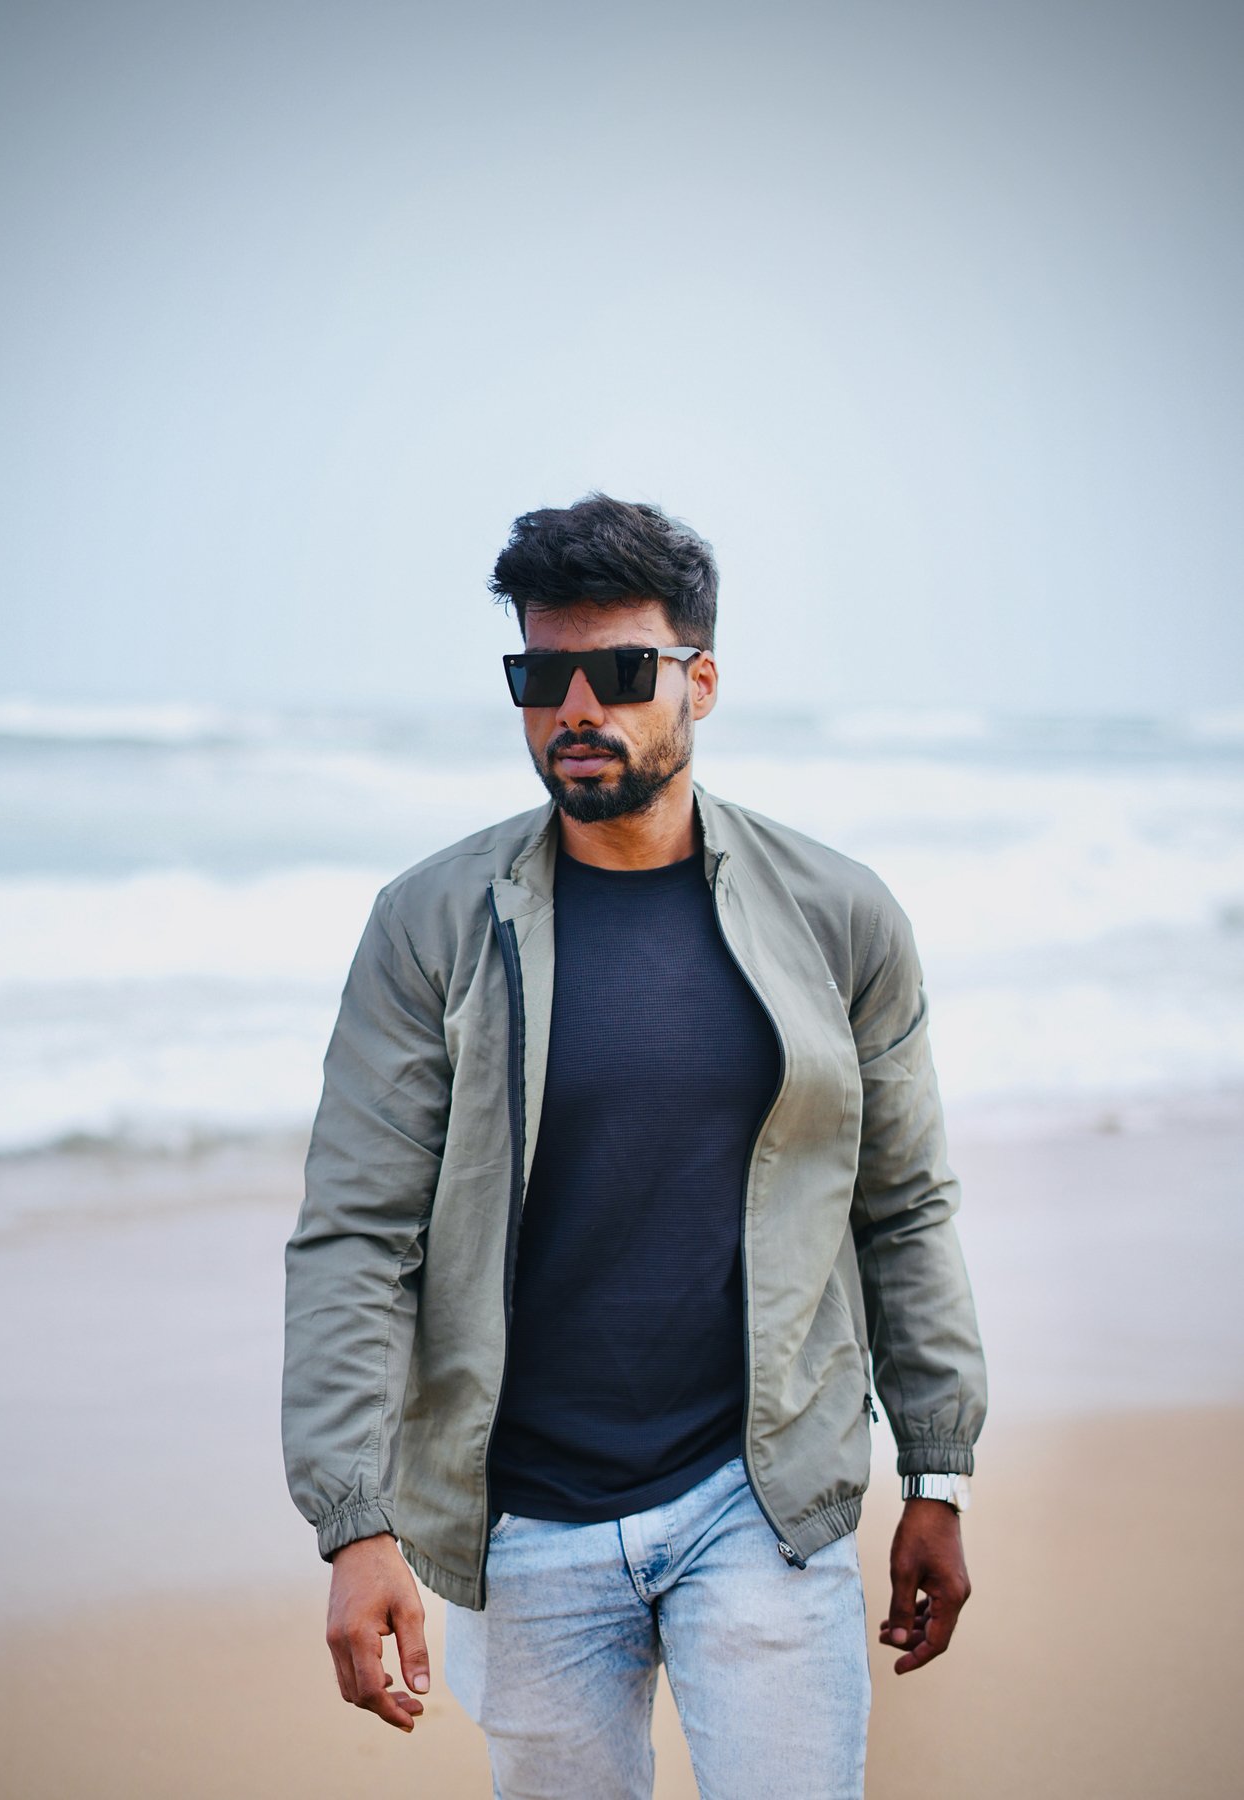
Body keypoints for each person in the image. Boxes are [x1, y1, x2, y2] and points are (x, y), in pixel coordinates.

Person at [281, 494, 987, 1799]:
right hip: (524, 1520)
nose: (574, 709)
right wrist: (352, 1519)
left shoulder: (838, 917)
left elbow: (902, 1207)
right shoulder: (429, 925)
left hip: (759, 1496)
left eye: (617, 672)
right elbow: (357, 1235)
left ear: (698, 684)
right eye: (539, 676)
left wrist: (936, 1469)